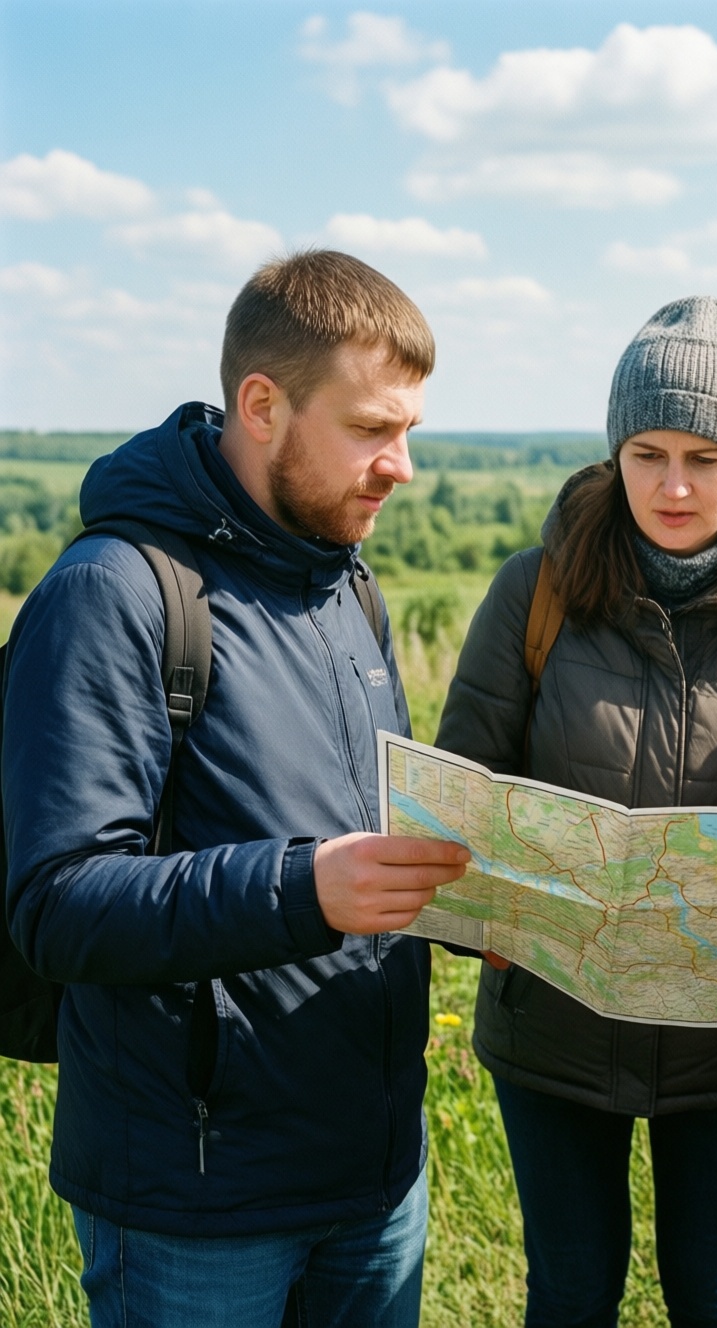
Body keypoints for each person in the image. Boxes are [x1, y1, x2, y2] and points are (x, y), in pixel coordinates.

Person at [2, 250, 471, 1328]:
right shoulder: (112, 593)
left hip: (375, 1173)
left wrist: (484, 904)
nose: (401, 466)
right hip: (196, 1203)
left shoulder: (348, 585)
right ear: (261, 406)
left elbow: (363, 839)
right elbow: (59, 902)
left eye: (409, 430)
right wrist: (305, 887)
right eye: (370, 428)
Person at [435, 295, 717, 1328]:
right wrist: (483, 913)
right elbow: (460, 793)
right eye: (647, 452)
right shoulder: (536, 591)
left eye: (706, 457)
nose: (672, 485)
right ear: (613, 449)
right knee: (572, 1293)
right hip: (554, 1022)